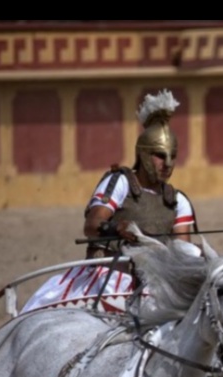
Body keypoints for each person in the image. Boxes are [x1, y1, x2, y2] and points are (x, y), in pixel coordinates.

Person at [22, 89, 199, 313]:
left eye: (172, 156)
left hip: (155, 284)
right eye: (160, 156)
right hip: (108, 278)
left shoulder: (177, 200)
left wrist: (194, 254)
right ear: (144, 155)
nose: (168, 164)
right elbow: (91, 226)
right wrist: (116, 227)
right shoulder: (120, 183)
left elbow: (181, 249)